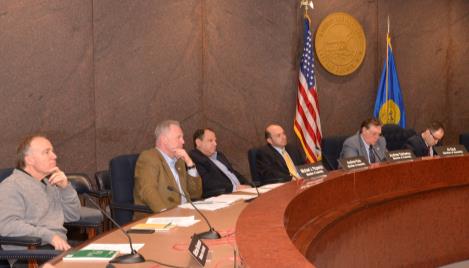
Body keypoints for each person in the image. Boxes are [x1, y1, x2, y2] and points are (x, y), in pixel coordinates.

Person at [0, 135, 81, 252]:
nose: (54, 156)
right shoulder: (11, 186)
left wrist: (65, 188)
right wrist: (49, 236)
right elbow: (7, 225)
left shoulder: (51, 183)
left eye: (52, 151)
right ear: (29, 159)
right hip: (31, 253)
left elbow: (73, 216)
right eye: (47, 152)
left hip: (58, 246)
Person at [133, 120, 202, 213]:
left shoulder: (179, 161)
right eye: (179, 137)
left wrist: (189, 163)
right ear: (164, 140)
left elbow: (195, 194)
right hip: (161, 217)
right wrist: (166, 214)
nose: (183, 141)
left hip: (185, 213)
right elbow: (147, 191)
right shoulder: (149, 157)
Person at [189, 128, 251, 198]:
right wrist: (234, 188)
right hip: (227, 196)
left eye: (215, 141)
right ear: (198, 143)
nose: (215, 144)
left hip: (243, 193)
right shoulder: (195, 158)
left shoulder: (219, 155)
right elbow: (208, 184)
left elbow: (233, 172)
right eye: (210, 140)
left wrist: (248, 184)